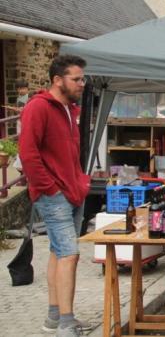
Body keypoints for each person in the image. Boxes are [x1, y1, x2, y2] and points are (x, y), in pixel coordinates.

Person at [19, 55, 95, 336]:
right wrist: (49, 188)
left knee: (58, 252)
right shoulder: (38, 107)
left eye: (82, 78)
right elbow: (28, 154)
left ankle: (54, 318)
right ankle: (66, 322)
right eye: (76, 78)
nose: (82, 83)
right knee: (69, 255)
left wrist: (80, 183)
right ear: (57, 80)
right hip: (55, 194)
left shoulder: (68, 109)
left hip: (72, 190)